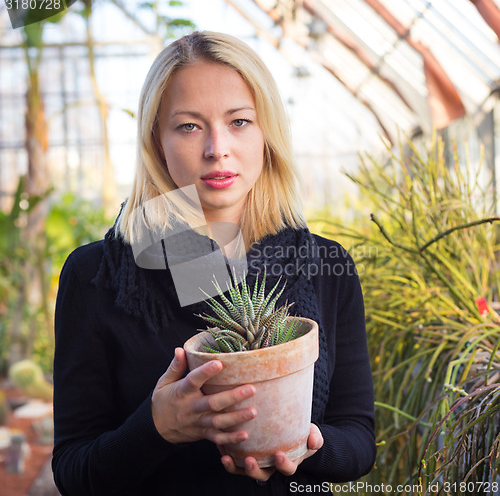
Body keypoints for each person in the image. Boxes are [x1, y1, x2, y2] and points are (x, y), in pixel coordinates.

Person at [52, 31, 376, 496]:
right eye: (188, 126)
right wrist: (156, 428)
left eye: (239, 121)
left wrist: (308, 446)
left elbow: (360, 438)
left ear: (267, 133)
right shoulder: (96, 275)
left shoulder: (324, 265)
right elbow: (73, 470)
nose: (216, 148)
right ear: (156, 140)